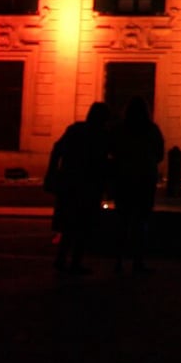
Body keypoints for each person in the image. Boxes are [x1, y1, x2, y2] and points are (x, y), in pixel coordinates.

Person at [47, 104, 111, 274]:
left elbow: (57, 150)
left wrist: (52, 172)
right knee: (83, 226)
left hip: (70, 183)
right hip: (88, 186)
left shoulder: (75, 130)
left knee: (69, 225)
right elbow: (104, 162)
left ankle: (62, 259)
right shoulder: (102, 136)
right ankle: (75, 262)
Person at [109, 97, 165, 274]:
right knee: (141, 222)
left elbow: (111, 149)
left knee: (122, 221)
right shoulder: (151, 130)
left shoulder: (119, 129)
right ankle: (137, 262)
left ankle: (118, 262)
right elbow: (159, 153)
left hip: (123, 178)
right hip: (144, 179)